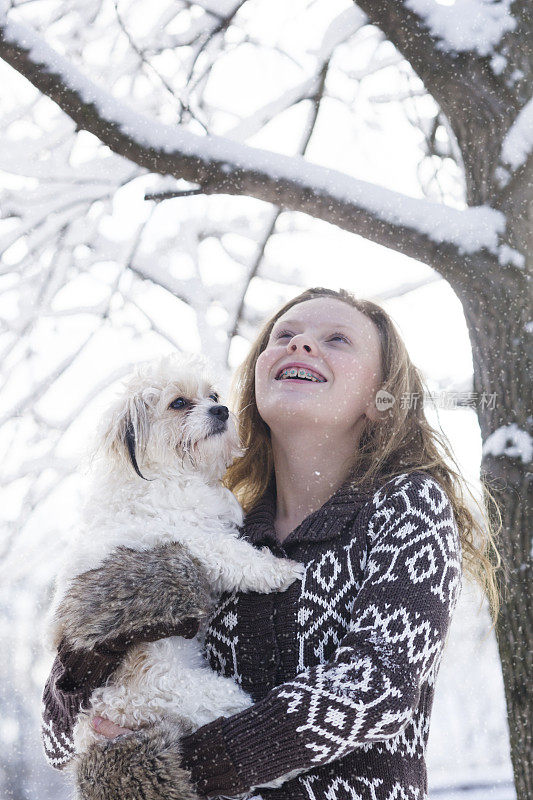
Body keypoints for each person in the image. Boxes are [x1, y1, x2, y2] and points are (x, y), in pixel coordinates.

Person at [41, 286, 501, 800]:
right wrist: (102, 636)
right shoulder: (212, 533)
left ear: (380, 399)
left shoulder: (407, 506)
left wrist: (177, 772)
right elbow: (59, 741)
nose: (301, 345)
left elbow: (379, 689)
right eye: (284, 335)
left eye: (337, 340)